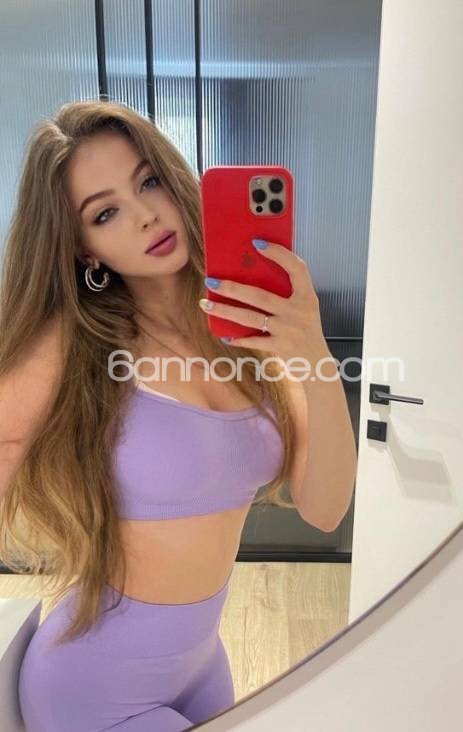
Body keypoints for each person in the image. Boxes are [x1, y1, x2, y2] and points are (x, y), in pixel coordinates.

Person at [0, 99, 317, 731]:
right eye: (106, 212)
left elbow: (326, 508)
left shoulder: (244, 327)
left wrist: (313, 351)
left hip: (203, 666)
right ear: (84, 248)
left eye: (147, 182)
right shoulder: (74, 343)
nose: (145, 215)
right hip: (93, 688)